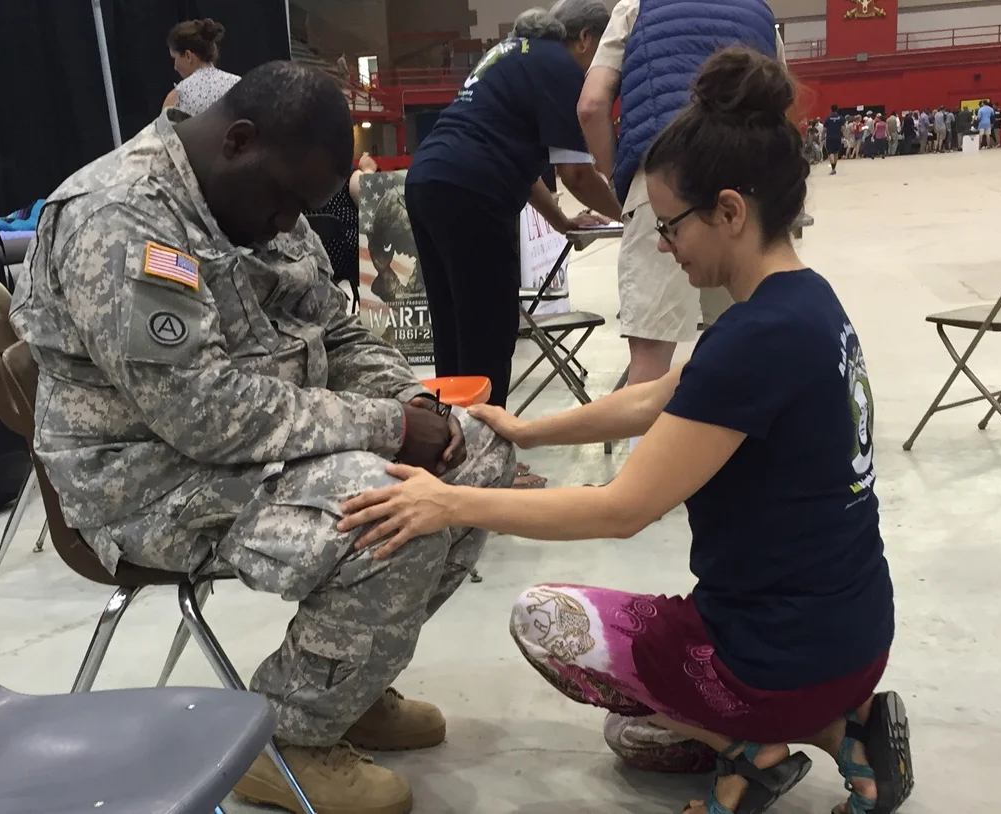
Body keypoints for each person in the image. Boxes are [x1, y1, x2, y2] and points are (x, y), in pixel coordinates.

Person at [338, 47, 912, 814]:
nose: (664, 246)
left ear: (731, 212)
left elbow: (621, 508)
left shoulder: (753, 340)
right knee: (634, 738)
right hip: (855, 636)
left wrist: (450, 504)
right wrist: (528, 430)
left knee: (547, 621)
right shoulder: (804, 305)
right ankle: (849, 726)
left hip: (776, 657)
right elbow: (655, 399)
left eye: (670, 226)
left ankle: (761, 746)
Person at [9, 62, 515, 814]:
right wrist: (386, 426)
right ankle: (287, 740)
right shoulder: (119, 217)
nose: (289, 223)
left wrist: (414, 402)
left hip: (258, 443)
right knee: (392, 511)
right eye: (284, 202)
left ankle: (348, 683)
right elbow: (204, 414)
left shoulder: (260, 193)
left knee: (476, 456)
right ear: (237, 140)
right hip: (148, 477)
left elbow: (336, 331)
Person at [575, 0, 781, 452]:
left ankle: (646, 488)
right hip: (745, 196)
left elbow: (591, 106)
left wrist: (625, 182)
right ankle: (742, 464)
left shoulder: (636, 7)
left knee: (651, 354)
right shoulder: (761, 12)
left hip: (664, 182)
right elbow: (778, 107)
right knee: (745, 341)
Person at [405, 1, 620, 417]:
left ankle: (449, 445)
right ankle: (485, 459)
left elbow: (521, 167)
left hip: (427, 180)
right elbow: (576, 176)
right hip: (473, 191)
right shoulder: (562, 67)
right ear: (587, 39)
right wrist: (631, 212)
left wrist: (561, 220)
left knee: (453, 329)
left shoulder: (512, 54)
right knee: (489, 334)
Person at [303, 152, 379, 310]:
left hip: (309, 261)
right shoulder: (347, 176)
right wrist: (368, 171)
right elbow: (375, 201)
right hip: (350, 261)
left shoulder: (298, 177)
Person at [162, 18, 240, 116]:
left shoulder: (177, 97)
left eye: (175, 58)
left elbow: (165, 131)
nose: (175, 67)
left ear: (188, 56)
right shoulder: (238, 85)